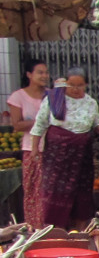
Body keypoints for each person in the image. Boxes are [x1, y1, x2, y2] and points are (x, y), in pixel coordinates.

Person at [28, 67, 99, 230]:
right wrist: (34, 148)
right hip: (58, 158)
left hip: (82, 158)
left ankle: (78, 232)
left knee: (81, 194)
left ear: (86, 84)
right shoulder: (53, 100)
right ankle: (53, 231)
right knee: (56, 192)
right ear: (65, 84)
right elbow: (40, 124)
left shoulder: (91, 102)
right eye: (72, 85)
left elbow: (96, 123)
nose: (76, 89)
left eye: (80, 85)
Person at [7, 58, 48, 225]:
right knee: (32, 191)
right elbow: (16, 125)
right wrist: (42, 121)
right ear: (29, 74)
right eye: (40, 72)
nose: (44, 75)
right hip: (31, 149)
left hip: (52, 149)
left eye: (46, 72)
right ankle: (34, 227)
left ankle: (49, 226)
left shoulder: (52, 96)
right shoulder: (18, 96)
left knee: (49, 192)